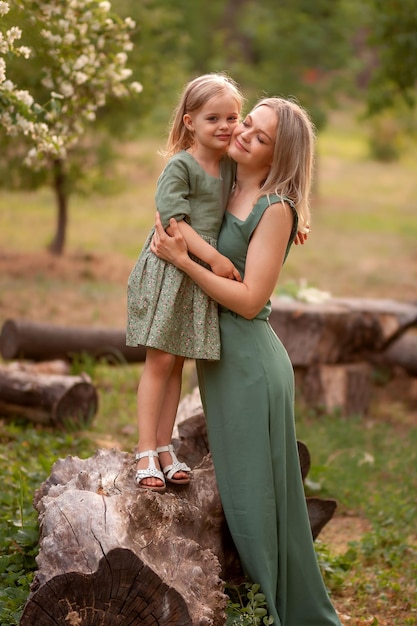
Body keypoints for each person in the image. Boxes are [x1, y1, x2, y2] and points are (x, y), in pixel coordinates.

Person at [151, 97, 342, 625]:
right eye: (245, 123)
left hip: (250, 367)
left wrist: (184, 262)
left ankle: (283, 614)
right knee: (250, 503)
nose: (241, 135)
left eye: (257, 136)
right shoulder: (225, 176)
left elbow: (250, 300)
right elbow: (172, 194)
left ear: (278, 156)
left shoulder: (274, 208)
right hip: (223, 360)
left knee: (254, 508)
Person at [126, 73, 244, 492]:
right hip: (173, 267)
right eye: (214, 118)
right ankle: (143, 449)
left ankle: (164, 446)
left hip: (198, 276)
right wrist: (212, 258)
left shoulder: (231, 164)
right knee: (160, 360)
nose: (226, 126)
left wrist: (296, 220)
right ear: (190, 121)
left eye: (232, 117)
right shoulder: (181, 165)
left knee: (178, 362)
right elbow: (173, 221)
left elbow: (263, 189)